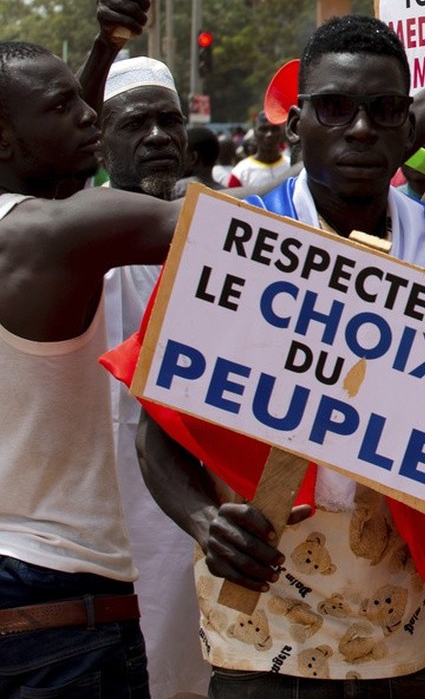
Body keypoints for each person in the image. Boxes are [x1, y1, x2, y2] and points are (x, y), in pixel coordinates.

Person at [127, 15, 425, 696]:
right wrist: (205, 523)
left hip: (397, 636)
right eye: (333, 108)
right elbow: (154, 433)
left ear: (407, 126)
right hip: (255, 628)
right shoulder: (236, 242)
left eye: (384, 111)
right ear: (294, 125)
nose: (359, 129)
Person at [0, 0, 187, 699]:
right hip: (58, 609)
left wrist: (104, 46)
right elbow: (238, 228)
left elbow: (44, 164)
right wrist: (413, 115)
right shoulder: (52, 235)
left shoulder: (33, 228)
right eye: (67, 107)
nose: (90, 114)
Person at [96, 57, 211, 698]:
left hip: (196, 523)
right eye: (135, 123)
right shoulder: (74, 243)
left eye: (169, 120)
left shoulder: (216, 236)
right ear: (101, 138)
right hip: (106, 527)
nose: (159, 136)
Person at [230, 114, 290, 192]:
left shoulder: (292, 166)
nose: (269, 134)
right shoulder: (240, 173)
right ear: (255, 132)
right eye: (263, 129)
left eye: (275, 129)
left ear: (282, 132)